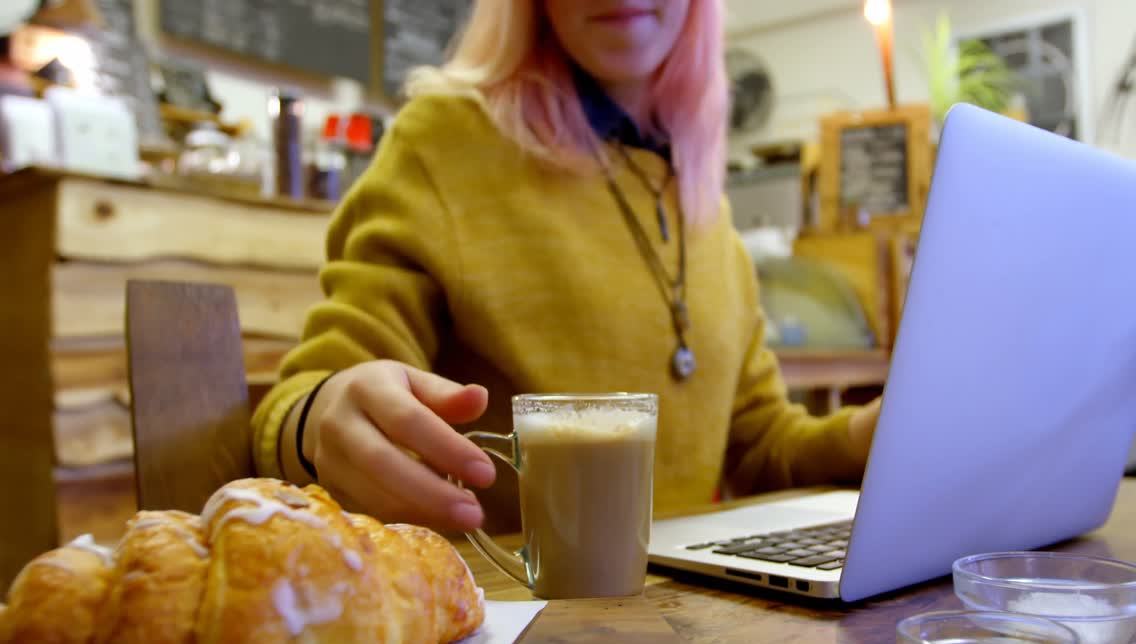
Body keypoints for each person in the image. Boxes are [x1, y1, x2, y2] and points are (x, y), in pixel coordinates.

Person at [251, 0, 881, 535]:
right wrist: (321, 415)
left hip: (698, 625)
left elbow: (761, 445)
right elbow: (302, 402)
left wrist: (869, 435)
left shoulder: (701, 200)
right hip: (513, 634)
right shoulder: (445, 141)